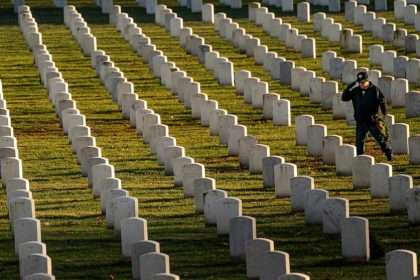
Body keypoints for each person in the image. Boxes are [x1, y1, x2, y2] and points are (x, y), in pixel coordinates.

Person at [342, 71, 393, 160]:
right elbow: (344, 98)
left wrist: (384, 113)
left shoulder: (375, 90)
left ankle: (388, 154)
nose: (361, 84)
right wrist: (351, 85)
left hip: (372, 120)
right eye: (359, 82)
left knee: (380, 139)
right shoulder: (355, 90)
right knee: (359, 142)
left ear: (367, 81)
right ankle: (360, 159)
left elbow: (382, 101)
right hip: (360, 121)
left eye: (363, 82)